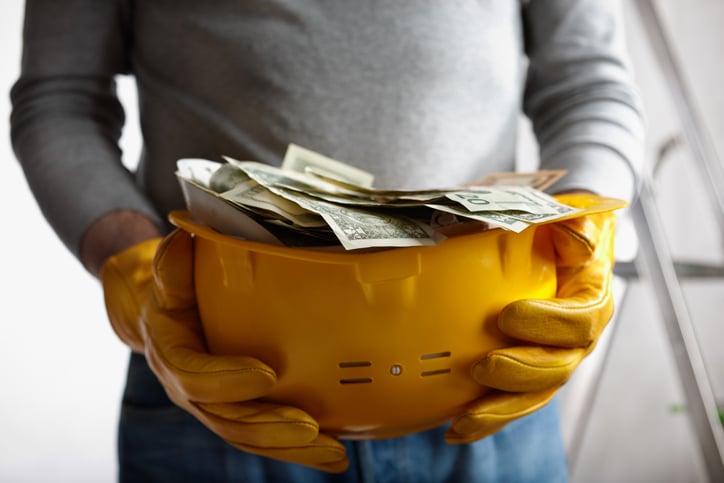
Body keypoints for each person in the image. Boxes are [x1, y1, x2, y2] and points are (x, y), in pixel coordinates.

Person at [10, 0, 645, 481]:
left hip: (496, 389)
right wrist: (136, 267)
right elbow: (60, 101)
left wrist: (585, 226)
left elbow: (590, 86)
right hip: (219, 389)